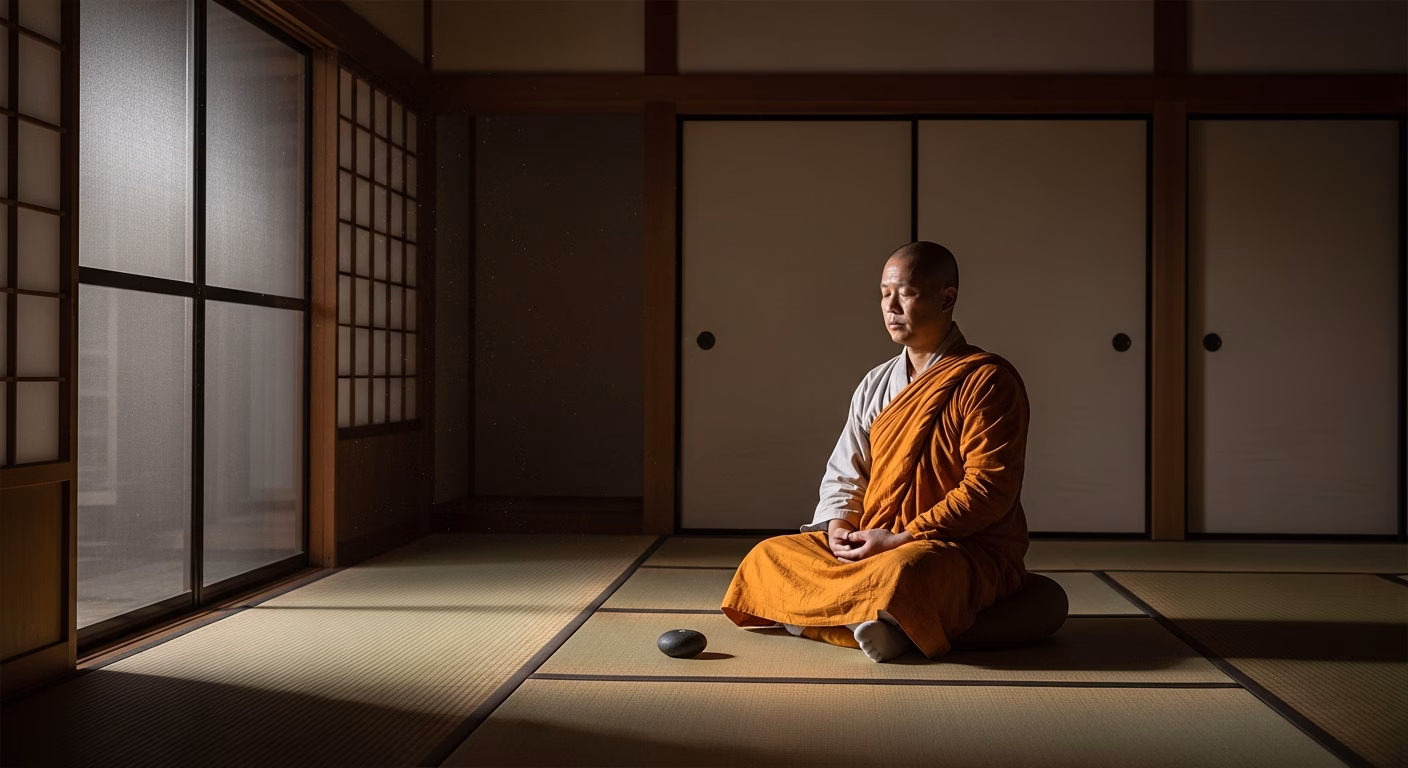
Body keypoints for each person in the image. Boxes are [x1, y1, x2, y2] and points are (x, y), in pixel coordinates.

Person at [719, 241, 1032, 662]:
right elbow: (847, 471)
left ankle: (815, 618)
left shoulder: (986, 381)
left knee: (906, 573)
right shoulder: (877, 383)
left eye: (905, 293)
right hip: (873, 538)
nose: (891, 307)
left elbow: (990, 488)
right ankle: (880, 626)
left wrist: (903, 537)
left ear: (947, 298)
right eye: (884, 294)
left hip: (950, 546)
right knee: (768, 556)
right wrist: (839, 529)